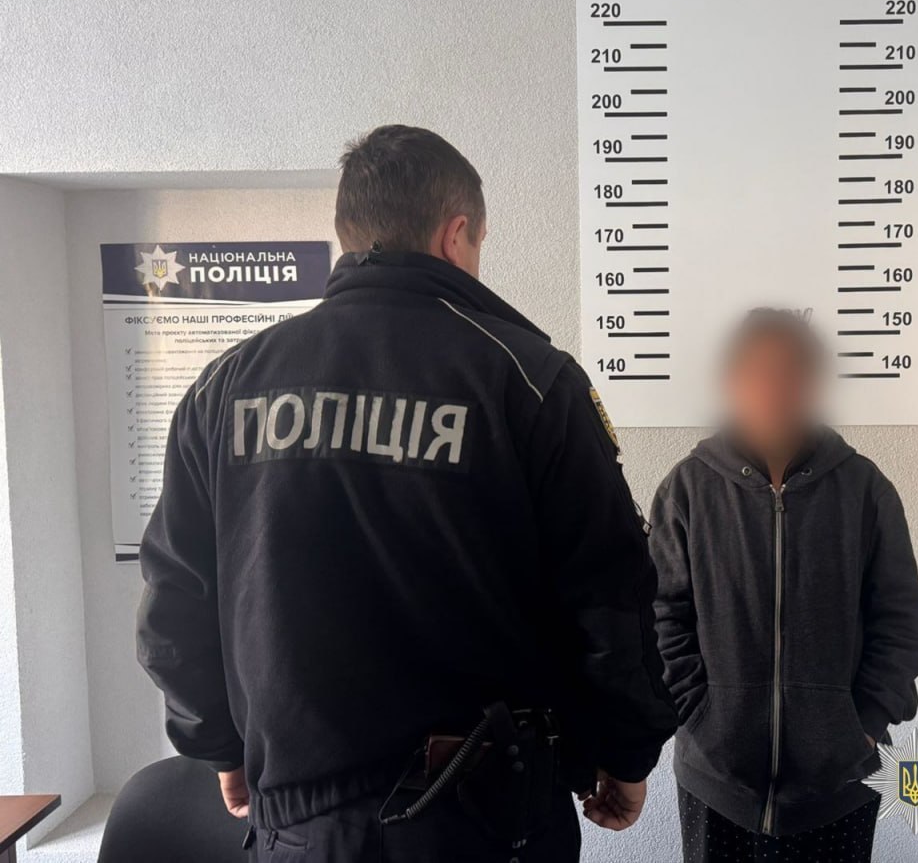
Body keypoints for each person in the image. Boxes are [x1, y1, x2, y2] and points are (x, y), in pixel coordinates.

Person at [136, 124, 677, 862]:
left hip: (300, 826)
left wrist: (219, 747)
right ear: (456, 235)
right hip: (489, 824)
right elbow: (609, 598)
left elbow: (174, 600)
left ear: (349, 233)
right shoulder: (527, 381)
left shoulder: (226, 388)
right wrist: (624, 754)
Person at [649, 309, 918, 863]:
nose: (774, 389)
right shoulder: (688, 489)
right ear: (732, 382)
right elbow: (660, 615)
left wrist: (863, 723)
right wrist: (699, 715)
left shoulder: (865, 490)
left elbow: (902, 622)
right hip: (717, 785)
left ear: (815, 382)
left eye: (791, 372)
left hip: (839, 788)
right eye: (758, 372)